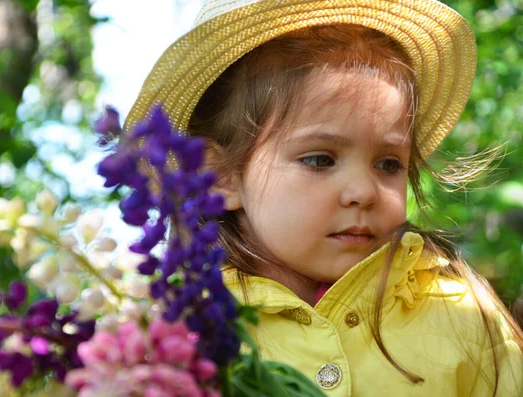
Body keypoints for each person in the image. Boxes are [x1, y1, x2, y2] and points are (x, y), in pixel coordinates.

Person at [124, 0, 523, 395]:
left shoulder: (461, 312)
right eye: (319, 159)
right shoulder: (186, 329)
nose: (364, 192)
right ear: (222, 176)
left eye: (388, 164)